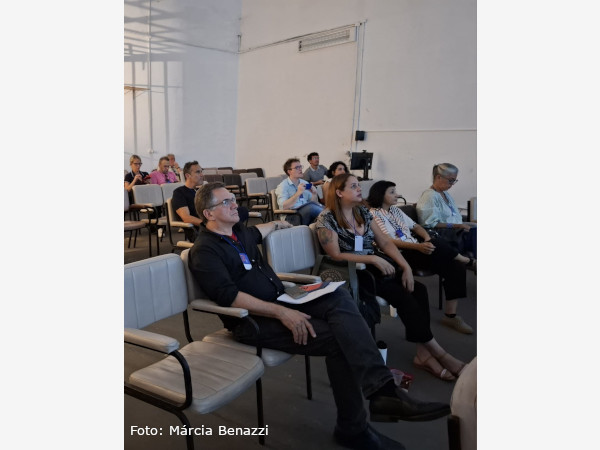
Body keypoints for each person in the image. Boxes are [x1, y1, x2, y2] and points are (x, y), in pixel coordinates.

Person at [188, 182, 450, 450]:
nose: (235, 204)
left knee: (339, 296)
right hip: (254, 321)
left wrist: (277, 224)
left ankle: (382, 392)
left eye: (233, 198)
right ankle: (357, 424)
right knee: (340, 338)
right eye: (226, 202)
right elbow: (229, 297)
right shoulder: (204, 251)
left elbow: (259, 231)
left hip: (282, 297)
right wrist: (282, 312)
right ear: (208, 214)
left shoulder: (238, 232)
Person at [316, 173, 466, 382]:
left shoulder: (362, 212)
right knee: (403, 296)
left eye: (359, 185)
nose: (359, 189)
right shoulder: (327, 218)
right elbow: (335, 255)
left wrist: (405, 267)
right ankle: (440, 354)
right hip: (351, 272)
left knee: (419, 290)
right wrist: (372, 259)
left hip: (375, 266)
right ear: (339, 193)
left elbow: (385, 242)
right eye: (353, 186)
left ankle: (423, 354)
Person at [367, 180, 474, 334]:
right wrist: (418, 246)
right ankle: (468, 261)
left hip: (416, 248)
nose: (397, 195)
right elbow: (386, 241)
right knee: (443, 250)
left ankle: (450, 316)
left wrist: (426, 239)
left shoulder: (395, 210)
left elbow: (416, 226)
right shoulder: (373, 214)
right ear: (380, 195)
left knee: (454, 265)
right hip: (400, 254)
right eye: (392, 192)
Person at [416, 163, 477, 259]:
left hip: (455, 229)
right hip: (444, 234)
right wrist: (457, 225)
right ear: (438, 177)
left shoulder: (445, 194)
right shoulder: (430, 196)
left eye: (454, 181)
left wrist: (462, 224)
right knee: (475, 232)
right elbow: (430, 224)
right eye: (450, 180)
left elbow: (453, 216)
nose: (452, 184)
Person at [275, 158, 325, 225]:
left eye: (300, 166)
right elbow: (283, 207)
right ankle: (329, 218)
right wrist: (298, 193)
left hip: (306, 213)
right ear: (289, 171)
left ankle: (329, 219)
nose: (300, 169)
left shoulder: (304, 183)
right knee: (311, 208)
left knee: (324, 209)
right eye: (297, 167)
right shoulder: (283, 186)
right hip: (291, 216)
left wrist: (314, 194)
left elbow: (313, 202)